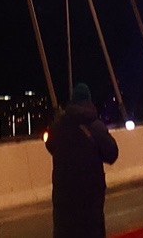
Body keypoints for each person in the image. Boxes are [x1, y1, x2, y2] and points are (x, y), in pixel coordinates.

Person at [46, 81, 118, 238]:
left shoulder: (57, 127)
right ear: (89, 100)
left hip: (63, 198)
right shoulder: (95, 126)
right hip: (89, 200)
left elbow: (49, 145)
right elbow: (112, 153)